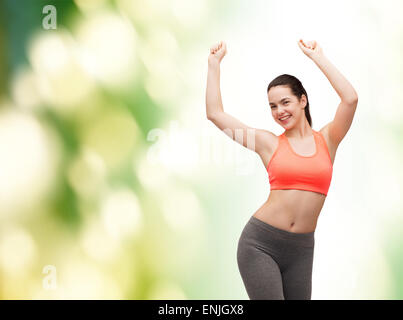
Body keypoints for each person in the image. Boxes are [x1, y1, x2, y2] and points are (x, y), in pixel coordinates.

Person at [205, 39, 358, 299]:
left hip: (301, 249)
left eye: (285, 102)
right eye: (273, 106)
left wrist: (318, 57)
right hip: (260, 244)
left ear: (303, 100)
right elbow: (215, 114)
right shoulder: (268, 143)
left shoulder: (329, 139)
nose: (279, 111)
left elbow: (350, 99)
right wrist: (213, 65)